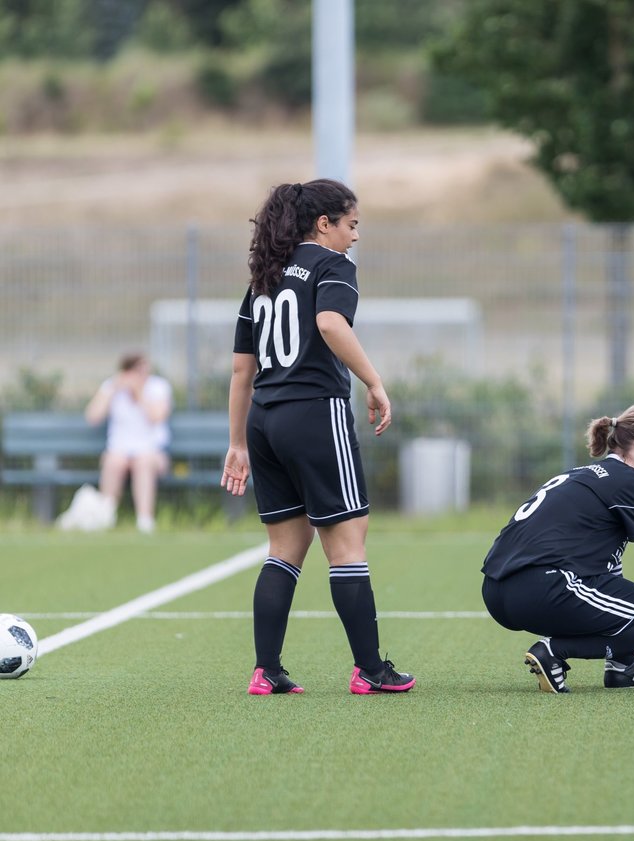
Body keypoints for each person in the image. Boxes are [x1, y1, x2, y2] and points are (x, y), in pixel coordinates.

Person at [221, 178, 415, 696]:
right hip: (313, 413)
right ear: (323, 223)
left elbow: (243, 371)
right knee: (348, 545)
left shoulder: (265, 275)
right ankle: (371, 670)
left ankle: (266, 670)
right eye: (351, 224)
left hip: (264, 419)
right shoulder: (333, 266)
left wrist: (238, 443)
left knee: (284, 547)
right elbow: (331, 323)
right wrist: (373, 382)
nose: (355, 237)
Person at [480, 404, 634, 693]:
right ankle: (553, 651)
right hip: (544, 587)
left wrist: (629, 639)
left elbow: (604, 569)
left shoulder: (582, 474)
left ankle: (624, 669)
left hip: (496, 592)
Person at [84, 352, 173, 533]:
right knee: (113, 462)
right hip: (119, 450)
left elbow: (157, 417)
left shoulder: (159, 387)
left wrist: (139, 393)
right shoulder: (112, 387)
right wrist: (111, 390)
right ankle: (105, 516)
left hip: (153, 451)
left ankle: (145, 520)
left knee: (143, 462)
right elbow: (93, 417)